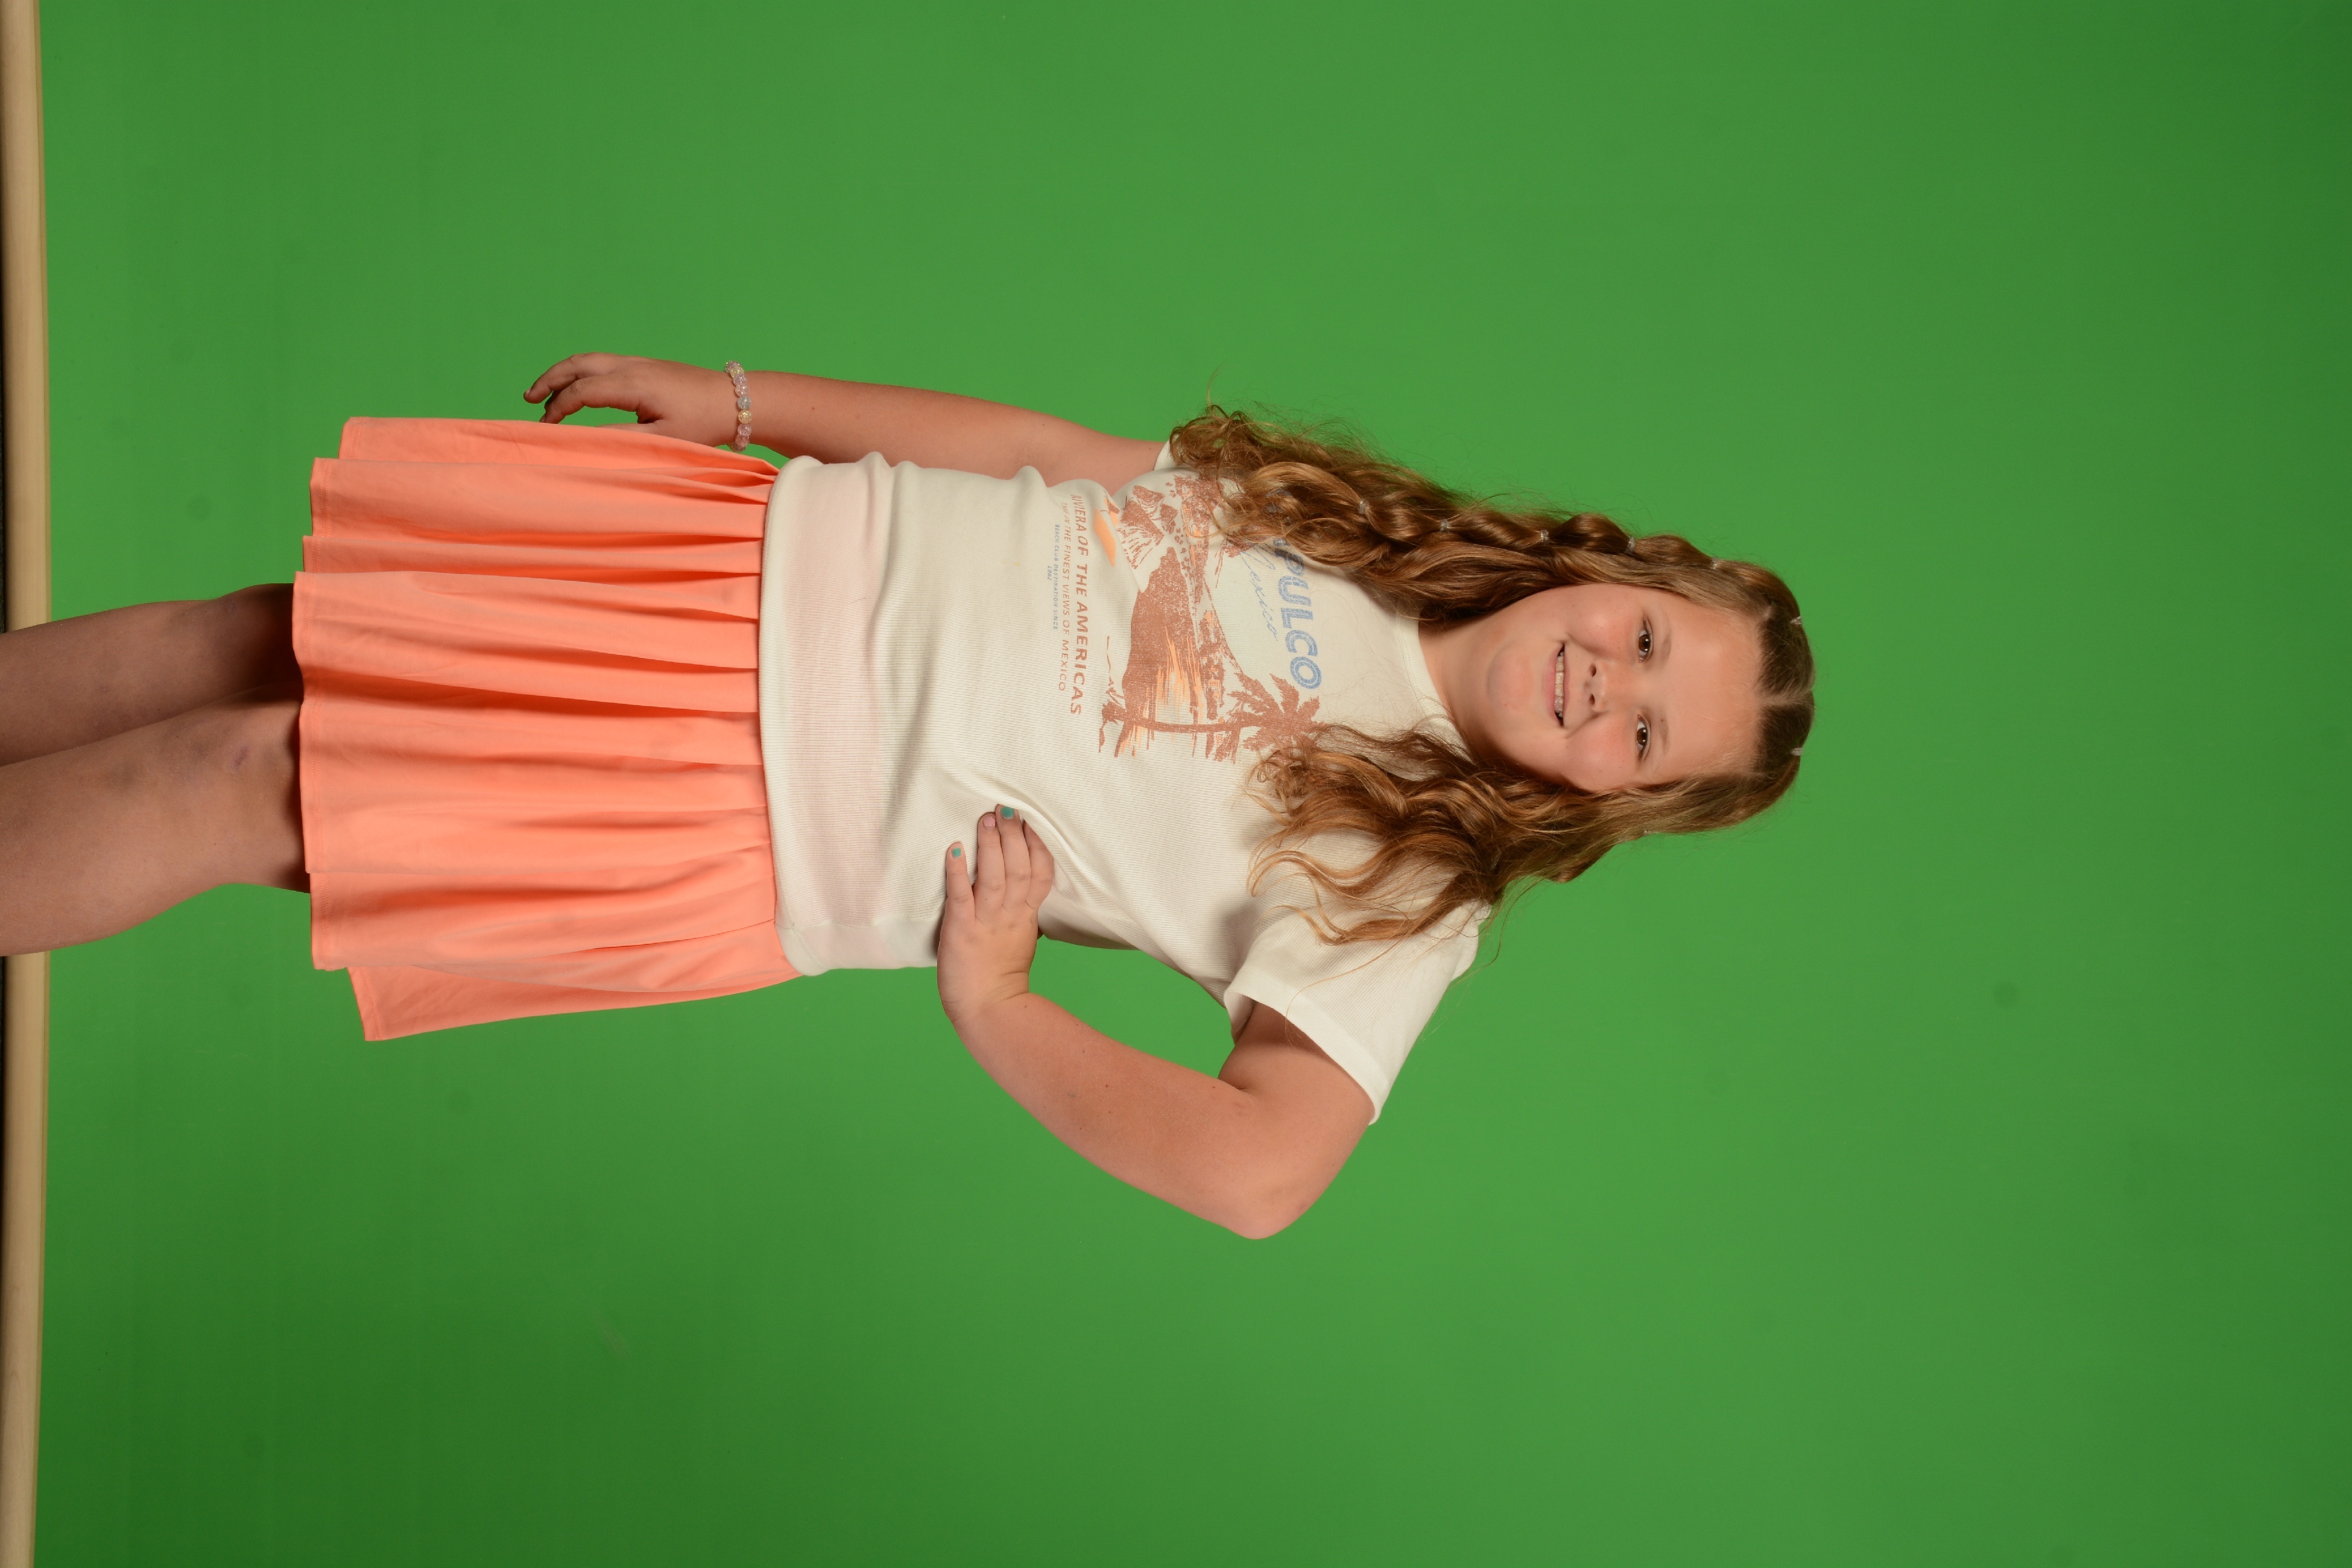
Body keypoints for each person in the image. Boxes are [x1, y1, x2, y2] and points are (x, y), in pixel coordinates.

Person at [0, 354, 1814, 1236]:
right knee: (249, 643)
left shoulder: (1416, 888)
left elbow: (1265, 1170)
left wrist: (1000, 1006)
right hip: (716, 564)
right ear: (1618, 567)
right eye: (1648, 642)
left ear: (1624, 803)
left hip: (741, 784)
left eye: (1648, 737)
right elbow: (1038, 459)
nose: (1610, 688)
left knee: (247, 777)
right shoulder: (1359, 530)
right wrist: (742, 401)